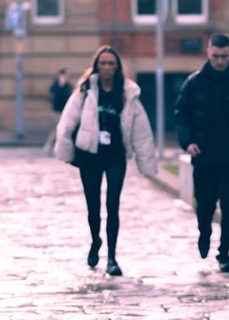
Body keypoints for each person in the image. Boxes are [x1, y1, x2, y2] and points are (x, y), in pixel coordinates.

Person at [54, 45, 157, 276]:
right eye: (103, 63)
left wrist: (146, 162)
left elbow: (141, 130)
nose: (107, 67)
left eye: (111, 63)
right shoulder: (85, 90)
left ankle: (112, 257)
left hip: (115, 156)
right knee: (93, 207)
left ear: (117, 67)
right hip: (89, 156)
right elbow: (68, 122)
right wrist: (66, 150)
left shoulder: (128, 93)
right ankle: (95, 242)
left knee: (113, 205)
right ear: (97, 65)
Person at [174, 33, 229, 273]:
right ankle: (204, 233)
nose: (220, 61)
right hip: (203, 158)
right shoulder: (194, 83)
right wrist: (188, 142)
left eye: (224, 56)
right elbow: (181, 115)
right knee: (204, 206)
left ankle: (224, 254)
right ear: (208, 52)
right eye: (215, 56)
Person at [43, 68, 73, 152]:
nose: (65, 77)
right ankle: (49, 145)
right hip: (56, 111)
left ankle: (54, 146)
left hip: (65, 111)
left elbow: (68, 98)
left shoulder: (68, 86)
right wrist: (60, 87)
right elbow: (51, 97)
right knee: (57, 129)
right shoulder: (55, 85)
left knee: (61, 129)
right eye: (64, 75)